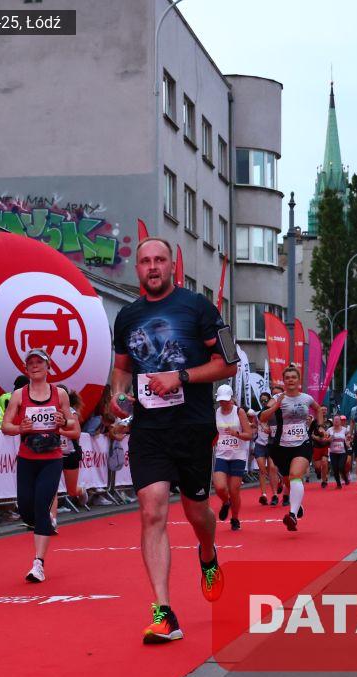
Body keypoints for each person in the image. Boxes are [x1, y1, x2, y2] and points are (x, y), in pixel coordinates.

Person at [109, 237, 236, 644]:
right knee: (152, 512)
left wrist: (180, 377)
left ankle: (208, 554)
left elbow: (229, 364)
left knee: (198, 513)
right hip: (149, 430)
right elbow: (122, 369)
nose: (153, 267)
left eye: (160, 260)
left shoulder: (199, 307)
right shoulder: (127, 316)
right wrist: (118, 394)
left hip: (192, 427)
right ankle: (164, 613)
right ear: (138, 269)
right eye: (145, 261)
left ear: (171, 267)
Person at [1, 349, 79, 582]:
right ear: (26, 368)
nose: (35, 366)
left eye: (39, 362)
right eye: (31, 363)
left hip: (51, 459)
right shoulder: (19, 395)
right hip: (27, 459)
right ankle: (42, 524)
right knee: (26, 509)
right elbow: (5, 426)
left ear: (48, 367)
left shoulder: (60, 394)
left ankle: (38, 564)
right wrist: (20, 428)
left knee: (41, 506)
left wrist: (63, 421)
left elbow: (73, 426)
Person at [260, 366, 323, 531]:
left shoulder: (306, 398)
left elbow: (318, 409)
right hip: (281, 447)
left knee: (295, 475)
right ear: (284, 381)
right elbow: (262, 417)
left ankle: (292, 515)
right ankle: (297, 504)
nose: (290, 380)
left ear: (299, 380)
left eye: (293, 377)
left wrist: (320, 426)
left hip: (302, 443)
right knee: (289, 481)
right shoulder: (276, 398)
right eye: (287, 377)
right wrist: (276, 406)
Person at [212, 385, 255, 530]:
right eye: (220, 400)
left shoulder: (239, 411)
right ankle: (226, 502)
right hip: (222, 454)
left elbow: (249, 435)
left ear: (231, 398)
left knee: (234, 490)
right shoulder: (216, 412)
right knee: (219, 487)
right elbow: (215, 433)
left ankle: (235, 518)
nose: (223, 403)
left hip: (238, 454)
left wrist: (236, 433)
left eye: (225, 400)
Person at [57, 387, 89, 510]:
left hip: (70, 454)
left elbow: (76, 433)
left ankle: (81, 490)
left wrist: (60, 432)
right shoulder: (49, 410)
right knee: (51, 487)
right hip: (53, 453)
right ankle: (51, 514)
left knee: (71, 491)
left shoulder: (71, 412)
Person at [251, 391, 280, 506]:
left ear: (270, 400)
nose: (263, 402)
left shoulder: (275, 413)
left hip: (271, 444)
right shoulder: (258, 414)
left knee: (272, 468)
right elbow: (256, 424)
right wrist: (254, 428)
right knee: (262, 469)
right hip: (260, 444)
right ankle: (263, 495)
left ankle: (275, 494)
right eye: (262, 401)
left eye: (265, 400)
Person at [324, 416, 350, 489]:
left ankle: (345, 478)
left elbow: (349, 437)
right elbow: (325, 439)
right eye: (335, 420)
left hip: (343, 452)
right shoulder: (329, 430)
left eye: (338, 420)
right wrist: (329, 439)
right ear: (333, 421)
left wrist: (348, 442)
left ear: (340, 421)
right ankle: (338, 484)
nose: (336, 421)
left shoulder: (344, 429)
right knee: (335, 468)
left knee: (341, 466)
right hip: (333, 452)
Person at [310, 406, 332, 489]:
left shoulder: (330, 422)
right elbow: (309, 433)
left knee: (324, 462)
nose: (324, 411)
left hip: (326, 446)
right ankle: (318, 472)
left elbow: (333, 432)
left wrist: (329, 439)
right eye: (322, 410)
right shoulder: (314, 422)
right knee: (318, 467)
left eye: (325, 410)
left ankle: (324, 480)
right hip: (316, 446)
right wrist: (316, 438)